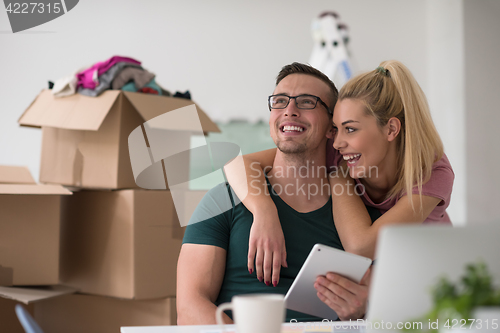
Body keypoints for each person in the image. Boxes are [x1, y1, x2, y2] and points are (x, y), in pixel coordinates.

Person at [176, 63, 381, 325]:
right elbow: (189, 307)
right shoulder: (222, 201)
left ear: (333, 128)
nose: (290, 111)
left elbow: (397, 312)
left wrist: (364, 310)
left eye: (307, 102)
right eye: (280, 101)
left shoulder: (364, 219)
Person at [234, 60, 455, 292]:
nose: (337, 142)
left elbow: (361, 246)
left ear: (391, 129)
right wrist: (265, 212)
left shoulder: (431, 170)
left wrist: (338, 175)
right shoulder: (341, 150)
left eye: (350, 129)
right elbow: (239, 163)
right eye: (336, 129)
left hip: (433, 272)